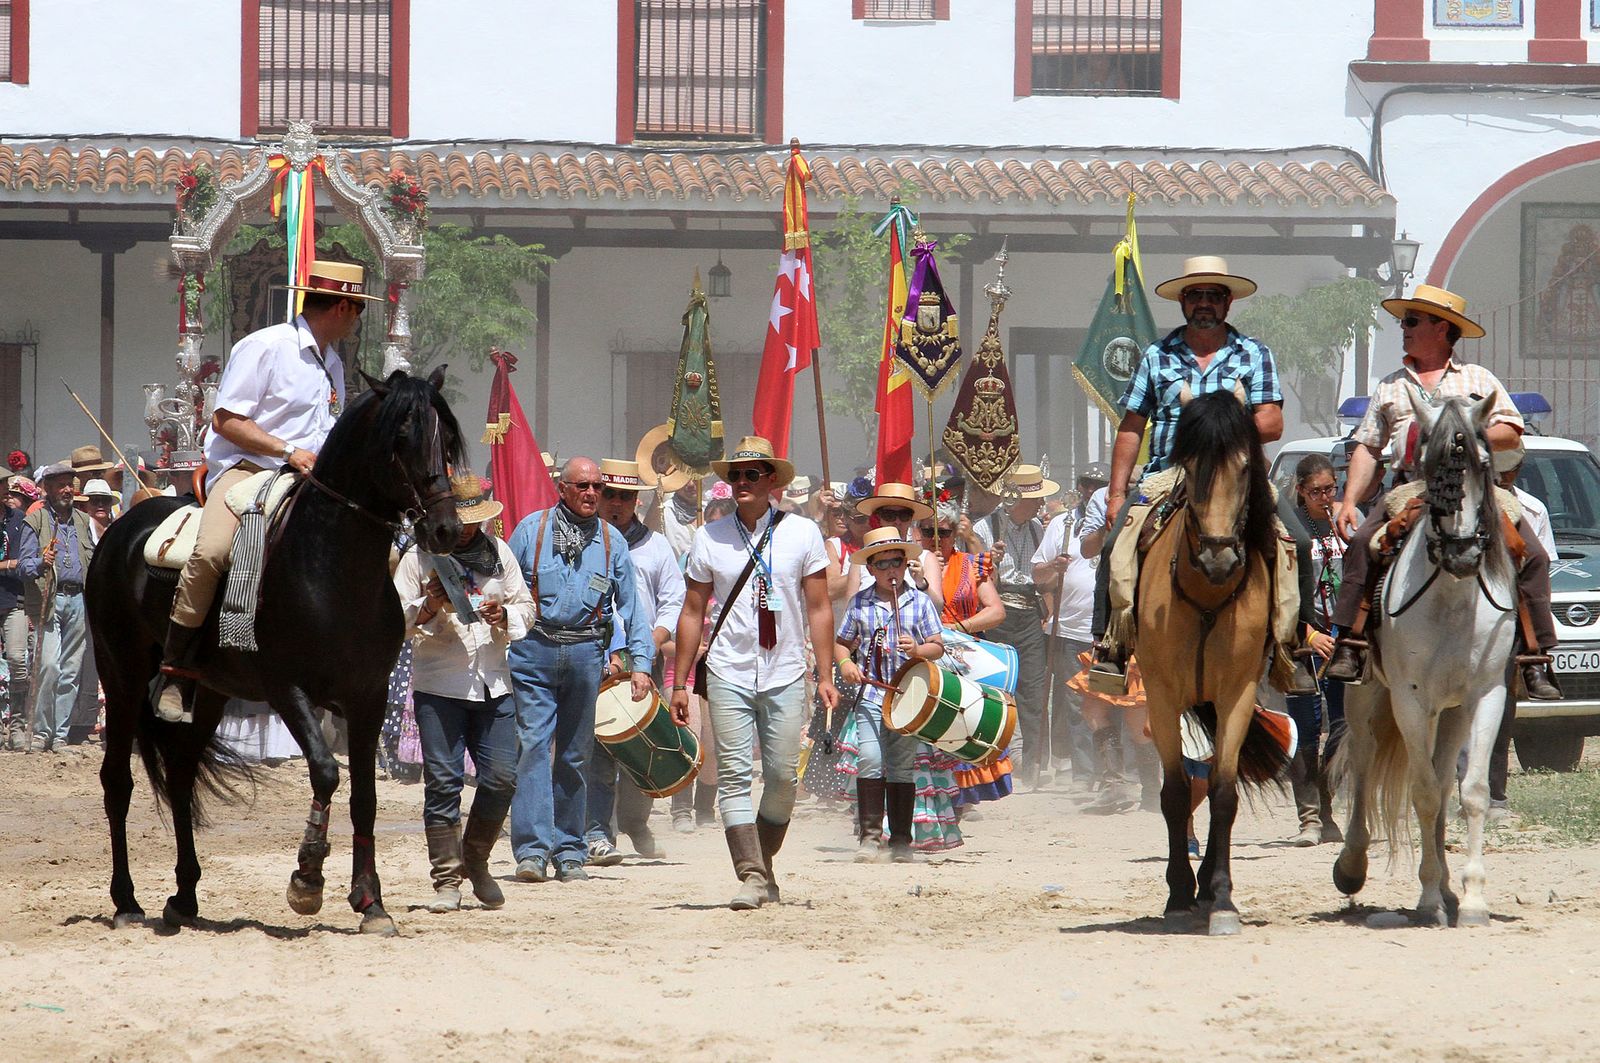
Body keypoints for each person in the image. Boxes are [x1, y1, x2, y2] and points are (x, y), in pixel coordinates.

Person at [156, 260, 379, 723]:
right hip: (247, 470)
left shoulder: (331, 362)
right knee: (212, 552)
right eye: (357, 308)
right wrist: (287, 450)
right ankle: (175, 672)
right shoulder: (264, 347)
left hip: (310, 481)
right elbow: (227, 420)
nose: (357, 318)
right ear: (341, 306)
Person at [1322, 284, 1562, 700]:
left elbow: (1511, 430)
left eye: (1412, 321)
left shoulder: (1477, 379)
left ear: (1441, 328)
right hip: (1410, 488)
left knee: (1533, 554)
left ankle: (1535, 657)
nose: (1404, 328)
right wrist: (1347, 500)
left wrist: (1465, 434)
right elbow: (1368, 446)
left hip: (1472, 488)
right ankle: (1352, 641)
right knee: (1362, 543)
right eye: (1404, 321)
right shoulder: (1391, 385)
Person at [1087, 255, 1312, 696]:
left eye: (1214, 295)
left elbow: (1272, 422)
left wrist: (1220, 427)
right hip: (1169, 474)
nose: (1204, 303)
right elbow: (1132, 426)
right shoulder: (1157, 355)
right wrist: (1117, 494)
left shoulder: (1254, 353)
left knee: (1299, 542)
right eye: (1196, 295)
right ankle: (1109, 646)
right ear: (1184, 302)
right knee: (1116, 543)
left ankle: (1296, 643)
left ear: (1228, 303)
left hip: (1237, 475)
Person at [671, 436, 840, 911]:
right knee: (733, 776)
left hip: (786, 669)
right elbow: (692, 610)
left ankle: (762, 865)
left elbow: (820, 607)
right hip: (727, 668)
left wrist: (824, 674)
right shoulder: (709, 537)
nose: (741, 482)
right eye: (735, 475)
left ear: (772, 481)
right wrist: (683, 681)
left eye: (751, 474)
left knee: (784, 777)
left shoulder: (803, 533)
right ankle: (749, 874)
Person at [506, 456, 653, 884]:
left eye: (598, 488)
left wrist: (640, 663)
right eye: (583, 486)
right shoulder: (531, 531)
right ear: (563, 489)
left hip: (587, 654)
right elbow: (501, 584)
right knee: (533, 748)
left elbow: (632, 608)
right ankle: (532, 851)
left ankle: (570, 850)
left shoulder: (612, 542)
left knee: (575, 755)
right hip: (533, 651)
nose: (592, 494)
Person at [394, 473, 534, 912]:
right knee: (443, 783)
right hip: (440, 685)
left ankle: (476, 858)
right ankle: (447, 879)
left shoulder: (499, 552)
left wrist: (504, 613)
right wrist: (429, 605)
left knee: (502, 778)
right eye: (462, 519)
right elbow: (395, 619)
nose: (469, 528)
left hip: (494, 683)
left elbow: (527, 606)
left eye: (475, 519)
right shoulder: (418, 558)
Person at [586, 457, 685, 863]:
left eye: (626, 496)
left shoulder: (657, 546)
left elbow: (673, 600)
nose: (617, 503)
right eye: (610, 494)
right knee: (598, 747)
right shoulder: (584, 543)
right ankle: (597, 831)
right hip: (593, 657)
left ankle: (635, 821)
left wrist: (650, 643)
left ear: (637, 502)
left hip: (643, 660)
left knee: (642, 745)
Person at [834, 527, 944, 862]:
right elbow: (843, 643)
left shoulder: (920, 602)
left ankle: (900, 841)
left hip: (909, 697)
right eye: (881, 565)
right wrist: (844, 663)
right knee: (870, 757)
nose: (890, 570)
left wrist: (919, 649)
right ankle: (869, 837)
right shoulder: (860, 603)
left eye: (895, 562)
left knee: (900, 766)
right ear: (870, 570)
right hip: (870, 694)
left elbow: (938, 646)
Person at [915, 500, 1009, 844]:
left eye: (944, 532)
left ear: (957, 533)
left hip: (962, 656)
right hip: (921, 655)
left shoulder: (970, 565)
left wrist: (959, 626)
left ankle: (956, 802)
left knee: (958, 730)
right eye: (928, 531)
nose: (936, 539)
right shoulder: (910, 564)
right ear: (917, 532)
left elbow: (996, 611)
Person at [973, 463, 1056, 786]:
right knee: (995, 689)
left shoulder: (1039, 529)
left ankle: (1033, 763)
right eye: (1035, 498)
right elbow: (978, 577)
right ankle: (997, 763)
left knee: (1034, 689)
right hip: (998, 612)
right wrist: (989, 562)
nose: (1039, 504)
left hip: (1029, 614)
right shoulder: (985, 529)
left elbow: (1042, 578)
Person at [1282, 454, 1345, 846]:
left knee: (1342, 728)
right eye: (1316, 491)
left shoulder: (1345, 521)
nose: (1324, 497)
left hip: (1343, 639)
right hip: (1302, 641)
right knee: (1306, 731)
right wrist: (1307, 634)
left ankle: (1328, 805)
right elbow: (1282, 593)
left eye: (1330, 489)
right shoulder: (1289, 529)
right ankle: (1309, 818)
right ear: (1301, 490)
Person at [24, 462, 95, 752]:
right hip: (48, 599)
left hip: (78, 598)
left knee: (71, 670)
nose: (67, 489)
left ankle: (60, 735)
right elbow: (24, 566)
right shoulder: (36, 521)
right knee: (49, 666)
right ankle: (42, 731)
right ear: (47, 489)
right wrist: (42, 562)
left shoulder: (82, 519)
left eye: (70, 484)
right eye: (61, 484)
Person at [0, 476, 40, 751]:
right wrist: (9, 563)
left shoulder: (18, 518)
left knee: (17, 659)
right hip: (11, 592)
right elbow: (15, 563)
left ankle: (17, 726)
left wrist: (10, 564)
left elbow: (25, 561)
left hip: (13, 599)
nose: (6, 490)